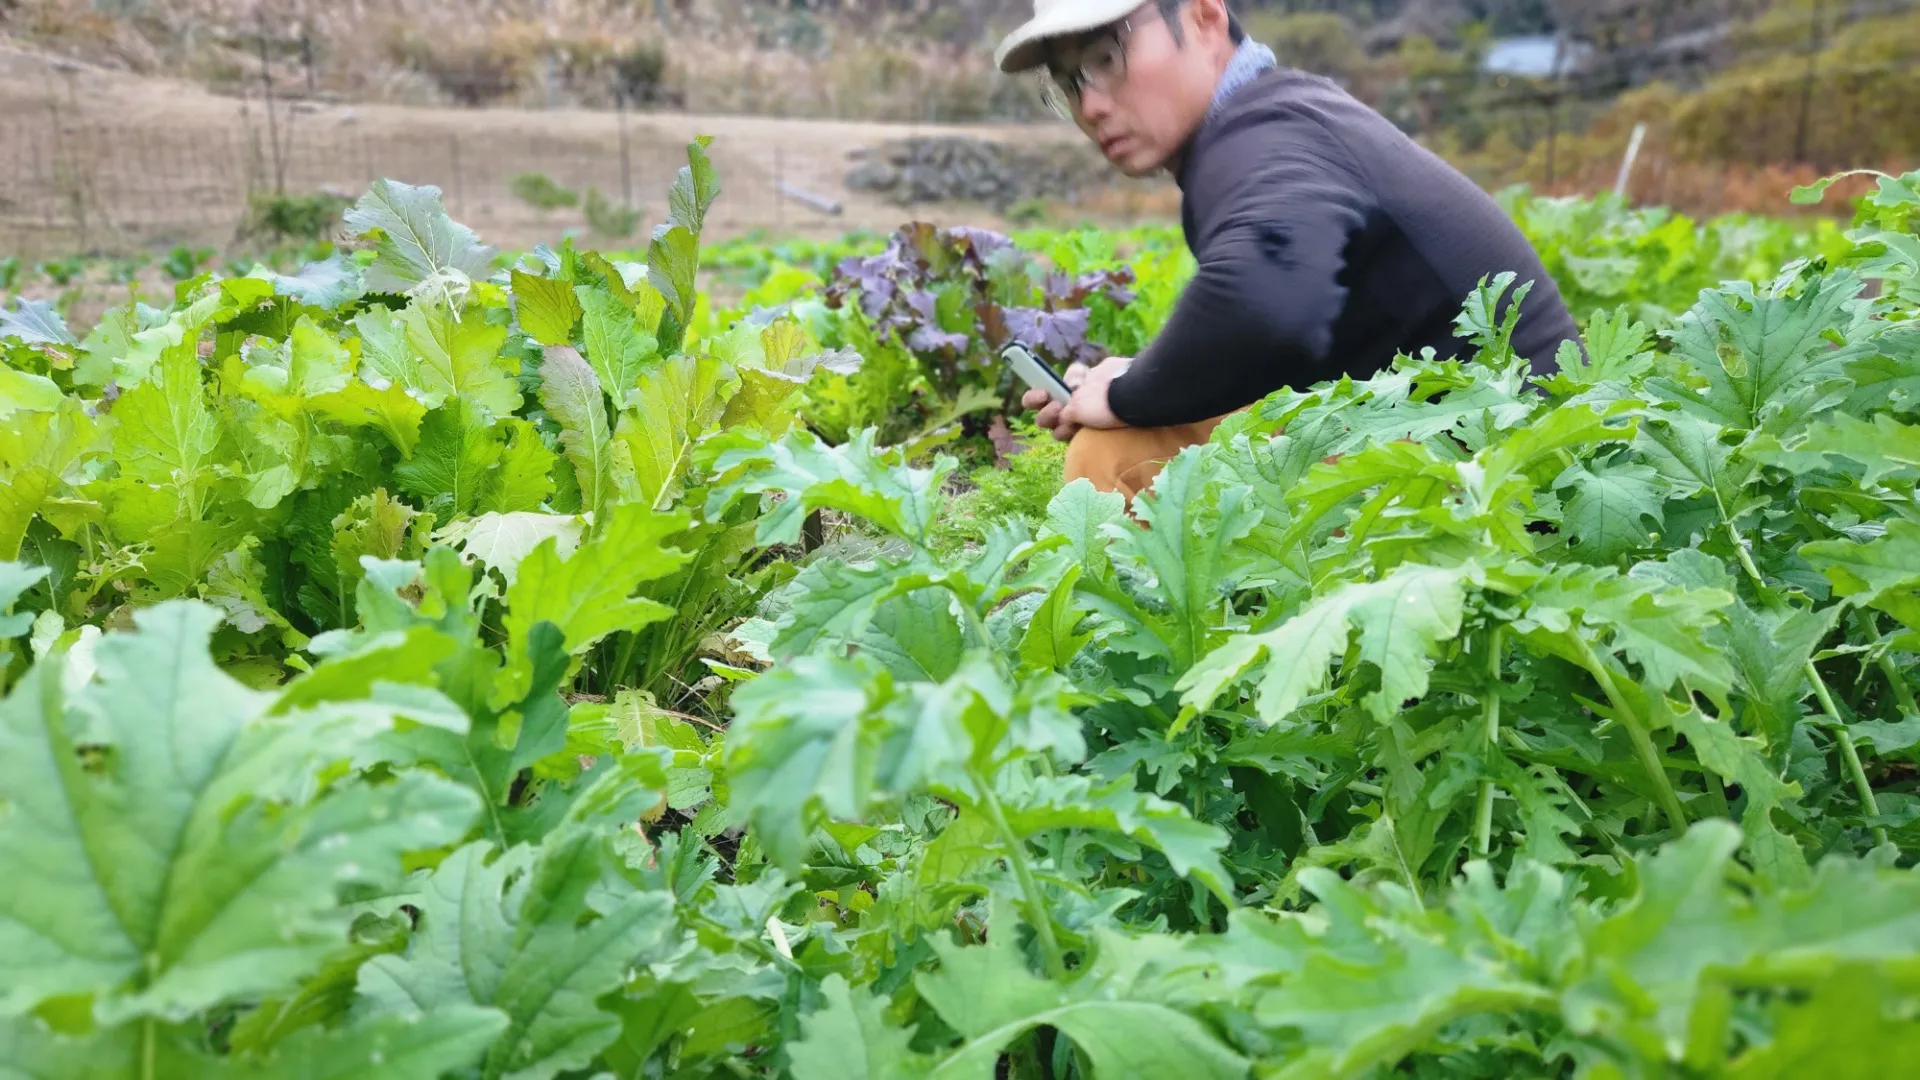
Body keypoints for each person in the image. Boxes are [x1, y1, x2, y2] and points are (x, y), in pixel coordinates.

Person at [995, 0, 1581, 500]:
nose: (1091, 106)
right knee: (1135, 431)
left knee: (1112, 457)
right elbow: (1285, 334)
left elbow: (1266, 304)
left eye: (1106, 59)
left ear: (1203, 17)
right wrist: (1142, 381)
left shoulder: (1264, 135)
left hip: (1512, 473)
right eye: (1069, 82)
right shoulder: (1277, 120)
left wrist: (1130, 396)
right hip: (1481, 435)